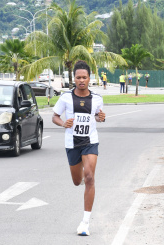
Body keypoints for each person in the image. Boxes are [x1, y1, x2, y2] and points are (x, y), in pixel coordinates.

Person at [52, 60, 106, 236]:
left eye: (84, 77)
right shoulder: (66, 97)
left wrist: (101, 117)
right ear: (74, 79)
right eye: (78, 77)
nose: (81, 80)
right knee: (77, 181)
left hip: (90, 141)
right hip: (72, 143)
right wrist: (63, 123)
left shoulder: (97, 98)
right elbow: (55, 116)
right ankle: (82, 174)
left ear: (89, 78)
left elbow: (97, 117)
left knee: (90, 178)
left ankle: (85, 223)